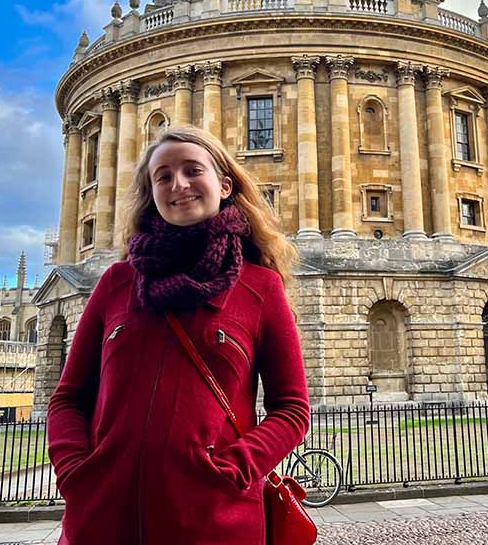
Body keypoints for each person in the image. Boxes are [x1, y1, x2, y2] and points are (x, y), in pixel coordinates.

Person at [48, 126, 310, 545]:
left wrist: (231, 472)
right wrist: (76, 473)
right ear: (152, 192)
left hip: (215, 523)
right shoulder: (117, 282)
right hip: (102, 520)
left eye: (193, 170)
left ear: (225, 185)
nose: (179, 185)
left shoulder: (259, 287)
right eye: (163, 176)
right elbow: (68, 397)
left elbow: (293, 408)